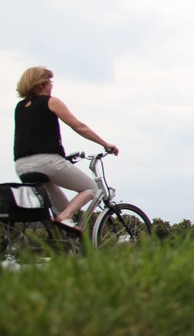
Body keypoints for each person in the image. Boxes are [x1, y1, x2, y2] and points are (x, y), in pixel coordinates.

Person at [14, 67, 119, 230]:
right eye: (50, 81)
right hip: (47, 162)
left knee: (62, 210)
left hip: (21, 166)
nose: (51, 85)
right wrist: (105, 144)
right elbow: (79, 127)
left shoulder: (20, 107)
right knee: (91, 188)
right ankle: (65, 218)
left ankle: (63, 236)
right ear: (41, 84)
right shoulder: (51, 101)